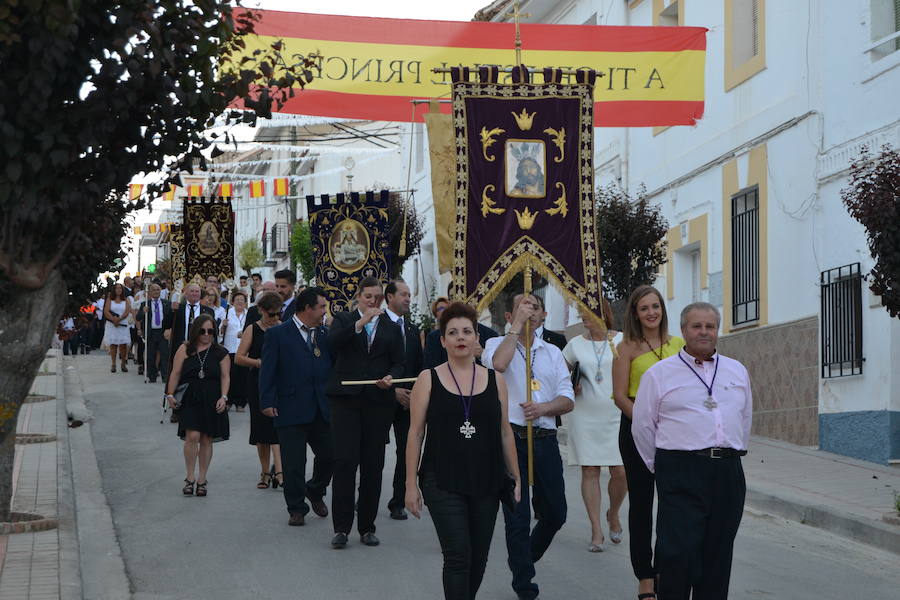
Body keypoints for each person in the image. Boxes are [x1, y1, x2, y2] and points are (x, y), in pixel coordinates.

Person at [632, 303, 752, 600]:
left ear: (717, 330)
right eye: (696, 326)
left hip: (727, 471)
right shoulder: (660, 374)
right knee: (678, 555)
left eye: (710, 326)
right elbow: (643, 426)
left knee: (718, 555)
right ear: (683, 331)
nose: (703, 332)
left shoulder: (736, 370)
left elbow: (745, 417)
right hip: (680, 469)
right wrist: (662, 467)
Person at [405, 302, 521, 600]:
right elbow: (415, 434)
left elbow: (505, 432)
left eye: (467, 332)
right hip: (441, 478)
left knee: (478, 558)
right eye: (452, 332)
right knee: (458, 556)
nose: (460, 337)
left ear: (476, 339)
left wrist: (516, 477)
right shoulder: (427, 379)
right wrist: (409, 486)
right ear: (442, 340)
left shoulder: (495, 380)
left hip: (487, 479)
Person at [482, 294, 574, 600]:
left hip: (544, 439)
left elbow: (568, 398)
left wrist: (545, 408)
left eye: (533, 307)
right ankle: (525, 586)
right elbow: (498, 365)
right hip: (511, 439)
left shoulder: (552, 352)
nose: (529, 311)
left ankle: (523, 558)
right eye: (522, 307)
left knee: (556, 513)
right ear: (509, 315)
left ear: (542, 315)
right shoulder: (496, 344)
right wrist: (516, 327)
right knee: (517, 515)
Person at [612, 285, 684, 600]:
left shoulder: (680, 344)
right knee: (642, 505)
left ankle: (666, 570)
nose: (651, 312)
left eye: (656, 306)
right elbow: (618, 395)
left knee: (673, 505)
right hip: (636, 433)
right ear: (635, 314)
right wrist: (645, 425)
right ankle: (645, 577)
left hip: (676, 436)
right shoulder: (626, 347)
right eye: (644, 308)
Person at [325, 277, 404, 549]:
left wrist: (391, 377)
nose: (373, 302)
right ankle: (341, 528)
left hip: (377, 402)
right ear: (358, 296)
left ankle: (367, 526)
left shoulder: (391, 327)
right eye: (368, 296)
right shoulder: (344, 320)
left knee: (373, 464)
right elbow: (332, 345)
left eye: (377, 297)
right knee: (345, 462)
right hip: (345, 401)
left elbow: (398, 361)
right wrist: (360, 324)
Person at [260, 287, 334, 527]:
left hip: (321, 407)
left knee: (331, 454)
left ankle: (315, 490)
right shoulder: (278, 334)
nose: (325, 311)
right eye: (322, 306)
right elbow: (268, 371)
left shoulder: (324, 334)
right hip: (289, 406)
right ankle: (296, 508)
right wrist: (267, 401)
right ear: (307, 308)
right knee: (294, 463)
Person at [562, 303, 626, 552]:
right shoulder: (574, 344)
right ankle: (596, 530)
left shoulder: (622, 339)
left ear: (604, 313)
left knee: (621, 471)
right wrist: (569, 385)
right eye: (581, 312)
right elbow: (559, 376)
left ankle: (614, 513)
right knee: (590, 470)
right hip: (584, 414)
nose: (582, 316)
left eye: (587, 311)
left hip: (617, 414)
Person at [164, 314, 231, 497]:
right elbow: (175, 373)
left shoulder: (221, 352)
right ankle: (189, 477)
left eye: (211, 331)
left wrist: (224, 397)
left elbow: (225, 376)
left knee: (207, 439)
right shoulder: (185, 349)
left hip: (212, 397)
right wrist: (169, 394)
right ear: (195, 331)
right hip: (191, 397)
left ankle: (202, 478)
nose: (207, 334)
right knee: (192, 436)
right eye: (203, 331)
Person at [383, 279, 423, 520]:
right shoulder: (376, 323)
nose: (408, 298)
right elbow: (370, 365)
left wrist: (414, 393)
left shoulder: (411, 329)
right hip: (381, 398)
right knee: (372, 451)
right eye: (403, 294)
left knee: (406, 450)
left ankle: (398, 501)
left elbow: (418, 366)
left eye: (409, 295)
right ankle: (364, 496)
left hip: (408, 400)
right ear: (389, 297)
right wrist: (393, 391)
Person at [235, 292, 284, 490]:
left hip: (280, 383)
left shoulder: (282, 328)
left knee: (278, 428)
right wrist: (259, 363)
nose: (275, 318)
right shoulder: (252, 329)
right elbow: (239, 357)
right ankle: (265, 471)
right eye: (271, 315)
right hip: (257, 382)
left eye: (278, 314)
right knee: (261, 429)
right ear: (261, 311)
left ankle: (280, 471)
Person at [136, 283, 172, 383]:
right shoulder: (145, 304)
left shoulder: (166, 303)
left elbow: (170, 317)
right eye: (154, 290)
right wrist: (143, 312)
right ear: (150, 292)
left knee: (165, 354)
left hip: (162, 332)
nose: (156, 292)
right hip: (151, 332)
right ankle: (152, 376)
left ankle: (165, 376)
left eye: (158, 290)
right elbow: (138, 317)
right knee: (150, 355)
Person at [220, 291, 250, 411]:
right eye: (237, 300)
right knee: (230, 374)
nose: (239, 302)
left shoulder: (248, 314)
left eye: (242, 300)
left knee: (243, 376)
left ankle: (241, 403)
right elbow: (220, 332)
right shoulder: (227, 313)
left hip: (243, 349)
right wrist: (223, 325)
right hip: (230, 348)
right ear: (233, 302)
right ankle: (228, 400)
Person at [103, 283, 133, 373]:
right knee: (113, 344)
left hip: (122, 324)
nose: (119, 290)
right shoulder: (110, 300)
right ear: (114, 290)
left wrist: (119, 319)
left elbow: (127, 311)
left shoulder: (126, 300)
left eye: (120, 288)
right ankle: (113, 364)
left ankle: (123, 363)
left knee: (123, 345)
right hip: (112, 324)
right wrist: (113, 319)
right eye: (117, 288)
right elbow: (106, 311)